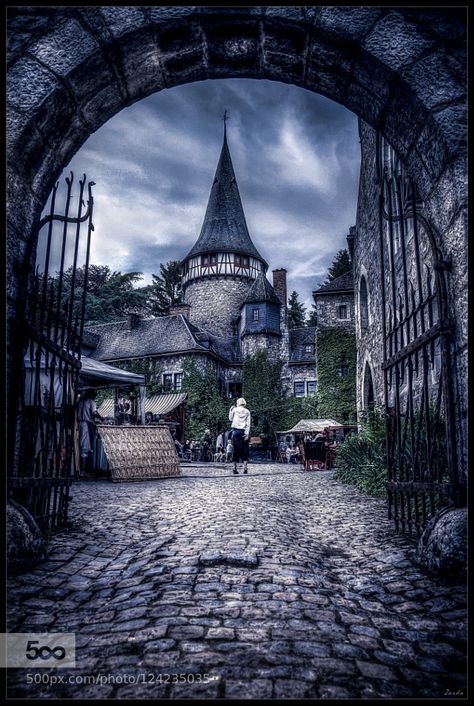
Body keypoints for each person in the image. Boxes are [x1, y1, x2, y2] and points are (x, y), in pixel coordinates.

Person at [77, 388, 104, 475]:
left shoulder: (80, 402)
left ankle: (83, 469)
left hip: (79, 424)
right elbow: (94, 413)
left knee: (81, 446)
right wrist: (101, 418)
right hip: (86, 425)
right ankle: (83, 470)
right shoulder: (91, 402)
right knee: (85, 448)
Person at [229, 397, 251, 474]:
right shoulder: (247, 411)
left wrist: (230, 410)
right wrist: (247, 434)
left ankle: (234, 468)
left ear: (238, 403)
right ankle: (245, 468)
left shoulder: (234, 410)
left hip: (235, 431)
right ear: (244, 403)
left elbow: (230, 419)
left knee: (235, 450)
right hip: (243, 432)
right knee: (245, 450)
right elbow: (248, 424)